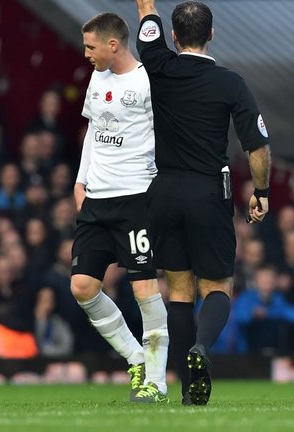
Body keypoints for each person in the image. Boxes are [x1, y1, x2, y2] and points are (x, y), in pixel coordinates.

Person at [135, 0, 271, 405]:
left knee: (178, 290)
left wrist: (148, 6)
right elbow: (258, 147)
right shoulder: (230, 83)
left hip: (165, 191)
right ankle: (203, 349)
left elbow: (146, 15)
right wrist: (261, 192)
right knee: (217, 287)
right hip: (209, 192)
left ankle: (187, 391)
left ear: (174, 36)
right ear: (212, 34)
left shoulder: (158, 65)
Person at [71, 12, 169, 403]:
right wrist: (81, 182)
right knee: (82, 287)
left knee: (145, 289)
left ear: (114, 45)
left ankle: (157, 382)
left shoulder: (148, 81)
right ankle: (136, 358)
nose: (86, 54)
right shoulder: (98, 76)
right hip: (97, 199)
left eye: (91, 47)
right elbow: (94, 133)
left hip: (136, 199)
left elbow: (166, 135)